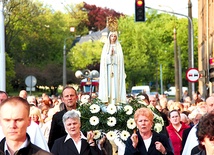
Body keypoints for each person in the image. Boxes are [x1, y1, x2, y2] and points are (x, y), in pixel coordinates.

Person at [98, 30, 126, 104]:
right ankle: (107, 100)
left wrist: (115, 56)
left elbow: (120, 60)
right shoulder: (106, 46)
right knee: (108, 85)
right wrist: (110, 55)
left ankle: (117, 100)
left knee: (116, 84)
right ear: (109, 37)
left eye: (114, 36)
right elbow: (104, 60)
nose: (113, 38)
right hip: (108, 69)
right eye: (112, 36)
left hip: (116, 69)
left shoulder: (118, 46)